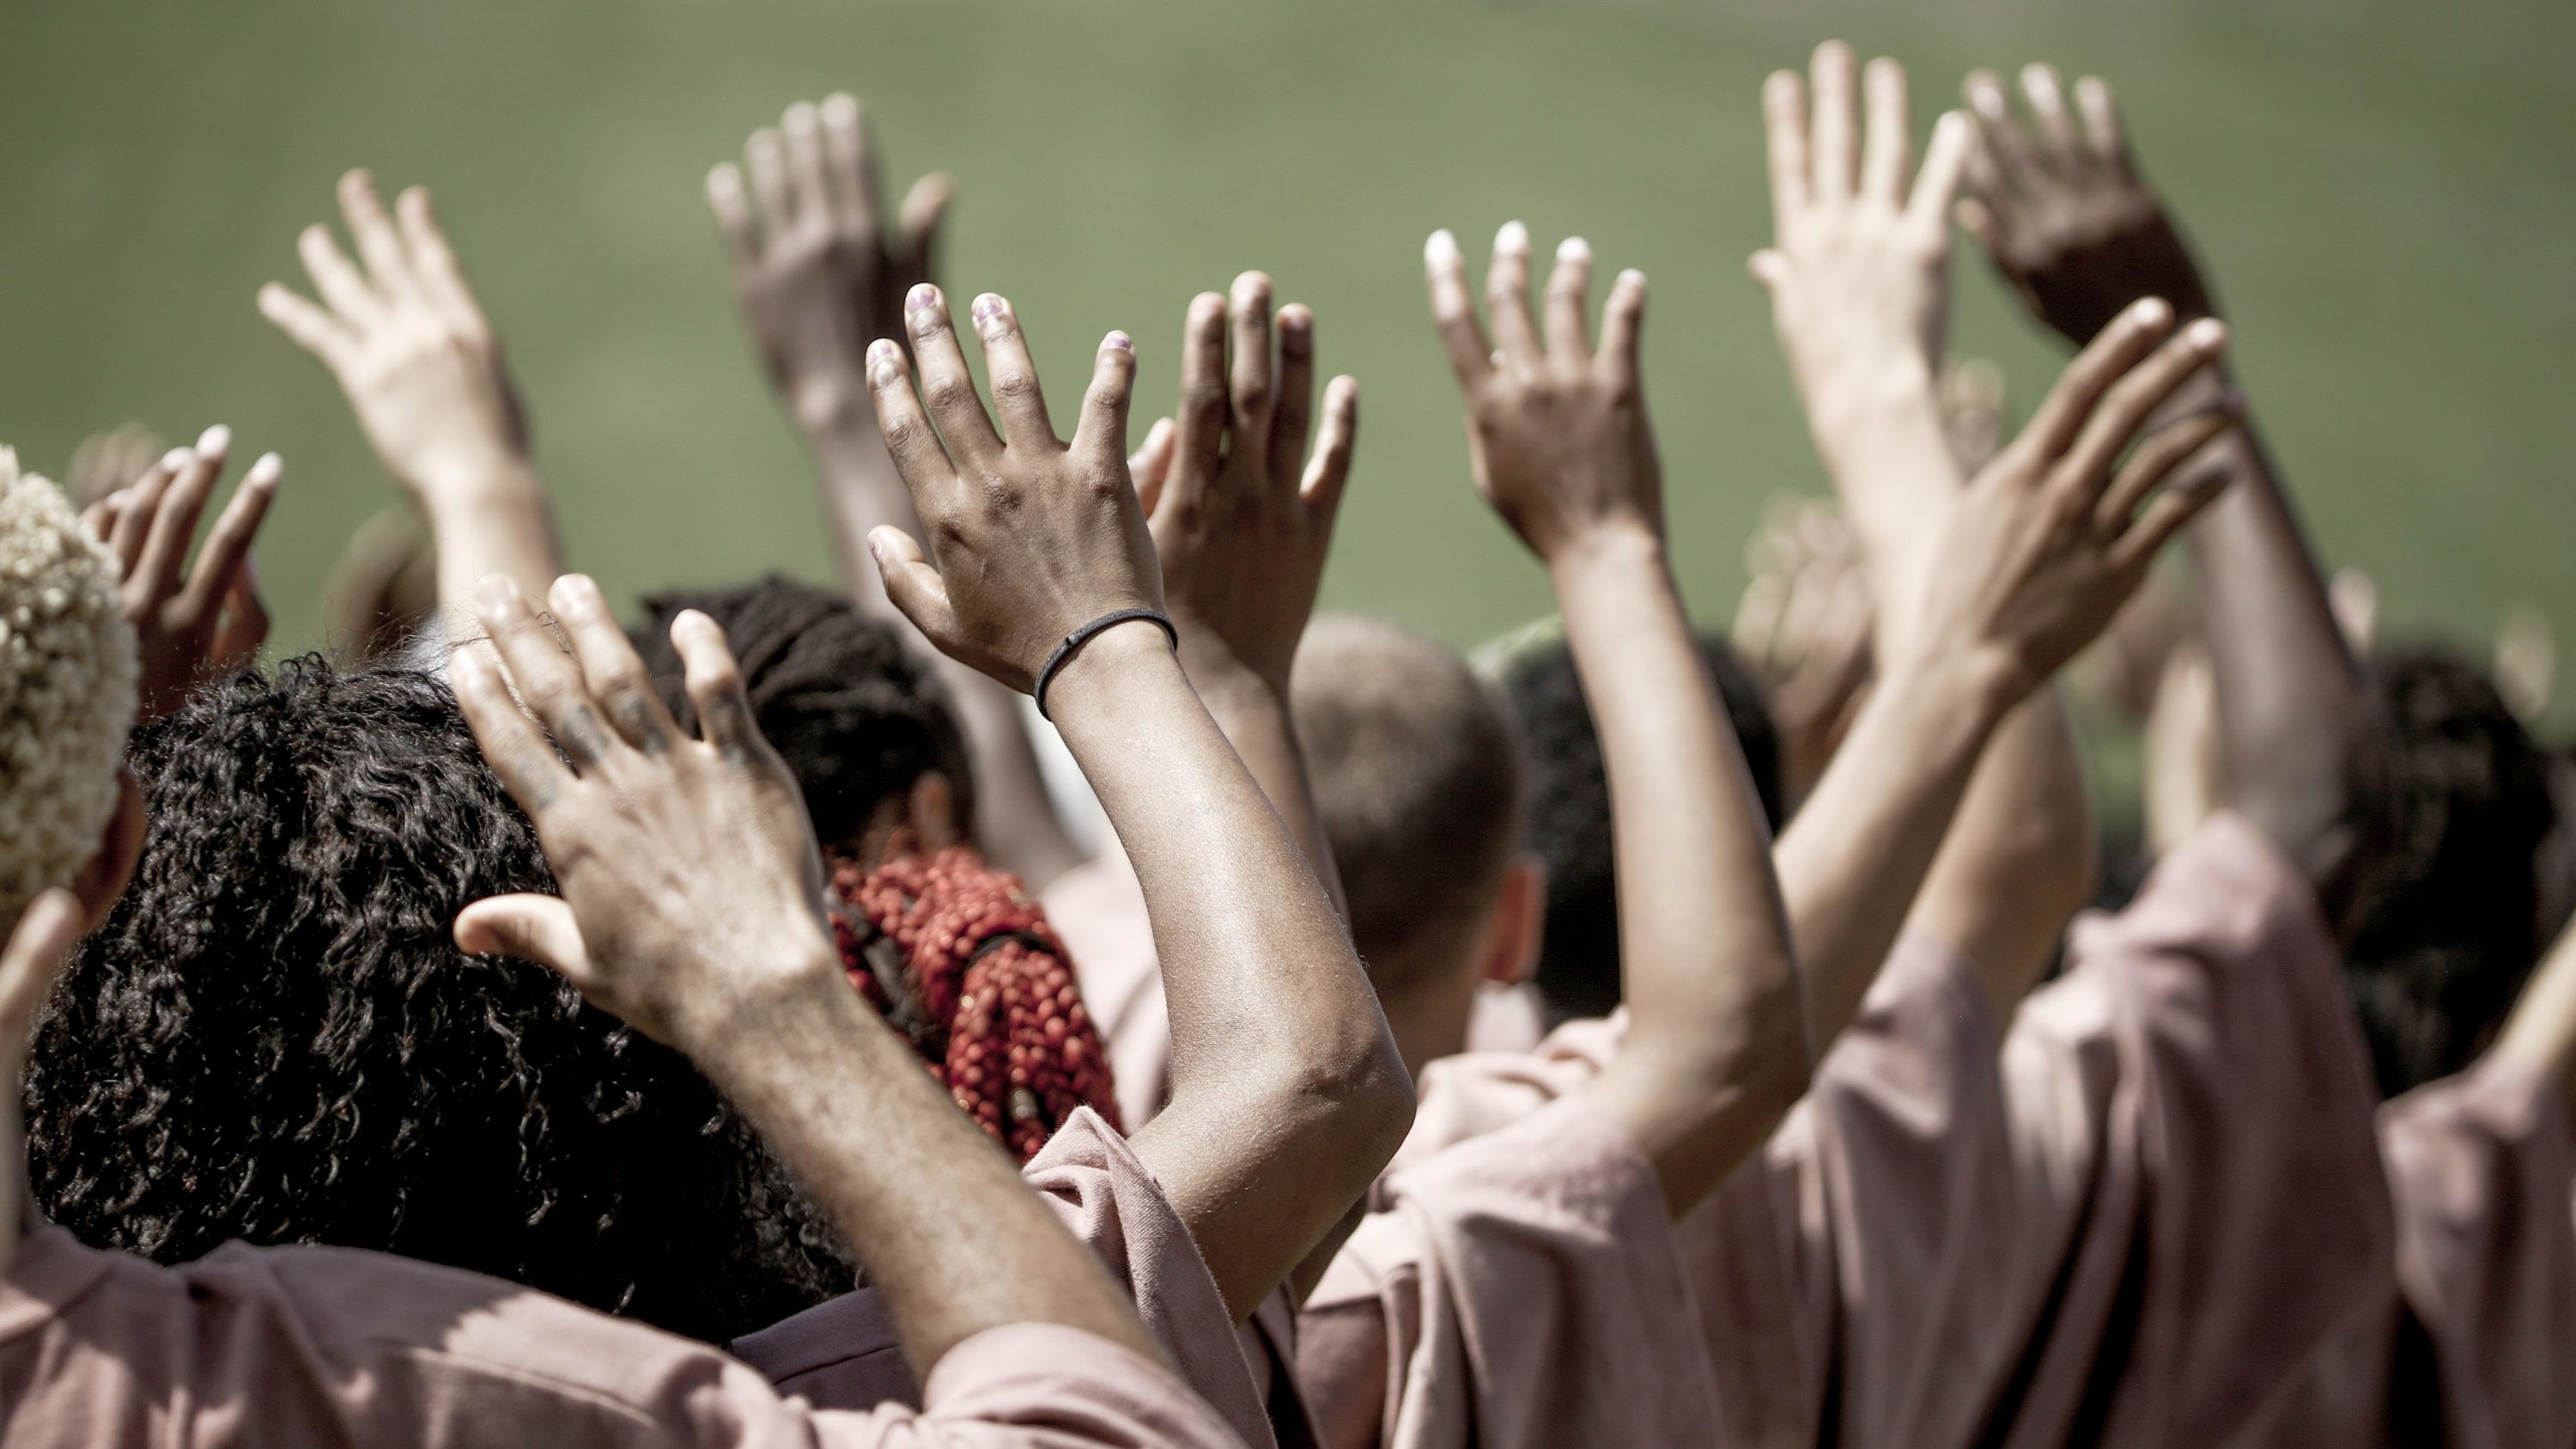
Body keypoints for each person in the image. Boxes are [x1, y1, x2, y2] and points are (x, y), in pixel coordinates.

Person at [0, 452, 1252, 1444]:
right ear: (638, 1059)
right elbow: (1310, 1082)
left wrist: (107, 784)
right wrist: (766, 988)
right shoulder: (739, 1397)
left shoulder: (112, 1367)